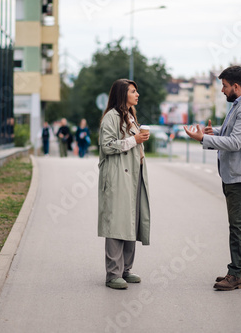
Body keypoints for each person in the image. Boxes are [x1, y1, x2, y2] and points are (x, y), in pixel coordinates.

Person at [184, 66, 241, 291]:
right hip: (235, 174)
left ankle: (235, 274)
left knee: (237, 225)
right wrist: (214, 133)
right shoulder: (240, 104)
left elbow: (236, 143)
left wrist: (203, 139)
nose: (222, 90)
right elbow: (231, 134)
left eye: (225, 86)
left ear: (236, 86)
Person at [98, 78, 151, 290]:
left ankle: (125, 270)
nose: (137, 94)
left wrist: (138, 140)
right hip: (118, 176)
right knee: (117, 222)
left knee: (131, 220)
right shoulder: (111, 117)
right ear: (122, 94)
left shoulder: (130, 116)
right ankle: (113, 273)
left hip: (133, 176)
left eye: (136, 91)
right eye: (132, 91)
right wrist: (134, 140)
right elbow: (107, 146)